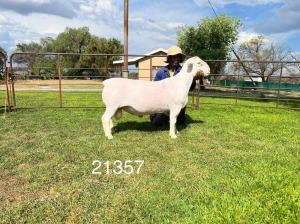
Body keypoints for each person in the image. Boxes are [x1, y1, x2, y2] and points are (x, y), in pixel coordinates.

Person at [150, 46, 204, 129]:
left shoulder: (184, 72)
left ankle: (181, 121)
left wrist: (194, 79)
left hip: (177, 101)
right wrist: (153, 108)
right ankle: (163, 116)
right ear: (169, 58)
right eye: (173, 57)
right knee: (156, 123)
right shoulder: (161, 72)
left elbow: (190, 88)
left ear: (180, 59)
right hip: (163, 102)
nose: (175, 59)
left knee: (180, 100)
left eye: (177, 57)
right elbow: (155, 89)